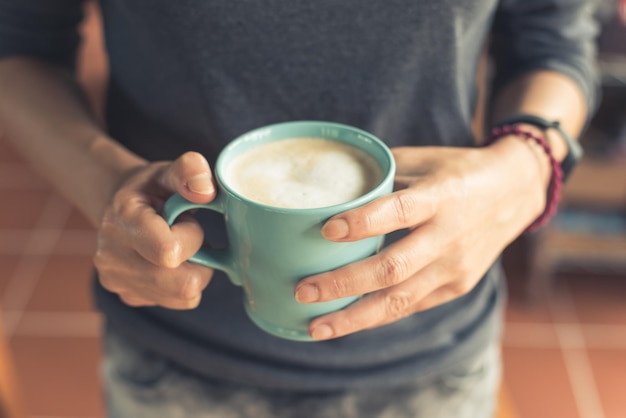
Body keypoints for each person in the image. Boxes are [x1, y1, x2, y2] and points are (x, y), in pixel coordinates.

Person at [0, 1, 598, 417]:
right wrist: (110, 184)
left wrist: (529, 163)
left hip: (431, 357)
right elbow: (19, 46)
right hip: (175, 361)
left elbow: (555, 41)